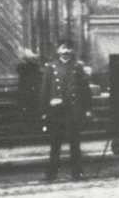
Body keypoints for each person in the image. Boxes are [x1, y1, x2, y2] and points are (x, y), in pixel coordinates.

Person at [40, 39, 93, 181]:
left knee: (74, 143)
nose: (65, 51)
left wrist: (88, 108)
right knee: (55, 143)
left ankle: (77, 173)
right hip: (57, 111)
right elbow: (45, 90)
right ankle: (51, 174)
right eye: (63, 48)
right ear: (58, 50)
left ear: (72, 51)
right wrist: (46, 108)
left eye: (68, 48)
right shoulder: (51, 68)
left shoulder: (77, 67)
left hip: (73, 110)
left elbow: (85, 90)